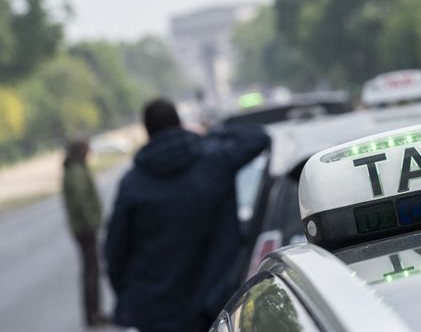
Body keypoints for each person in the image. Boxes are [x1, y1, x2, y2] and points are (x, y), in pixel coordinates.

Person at [105, 98, 270, 332]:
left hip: (156, 310)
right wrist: (208, 132)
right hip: (212, 303)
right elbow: (258, 137)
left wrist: (128, 294)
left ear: (147, 130)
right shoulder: (214, 159)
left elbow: (116, 251)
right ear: (180, 123)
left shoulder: (133, 183)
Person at [61, 139, 107, 327]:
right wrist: (93, 222)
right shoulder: (76, 171)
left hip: (83, 227)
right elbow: (82, 201)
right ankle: (93, 313)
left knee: (91, 270)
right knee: (91, 271)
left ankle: (94, 312)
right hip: (85, 228)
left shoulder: (74, 169)